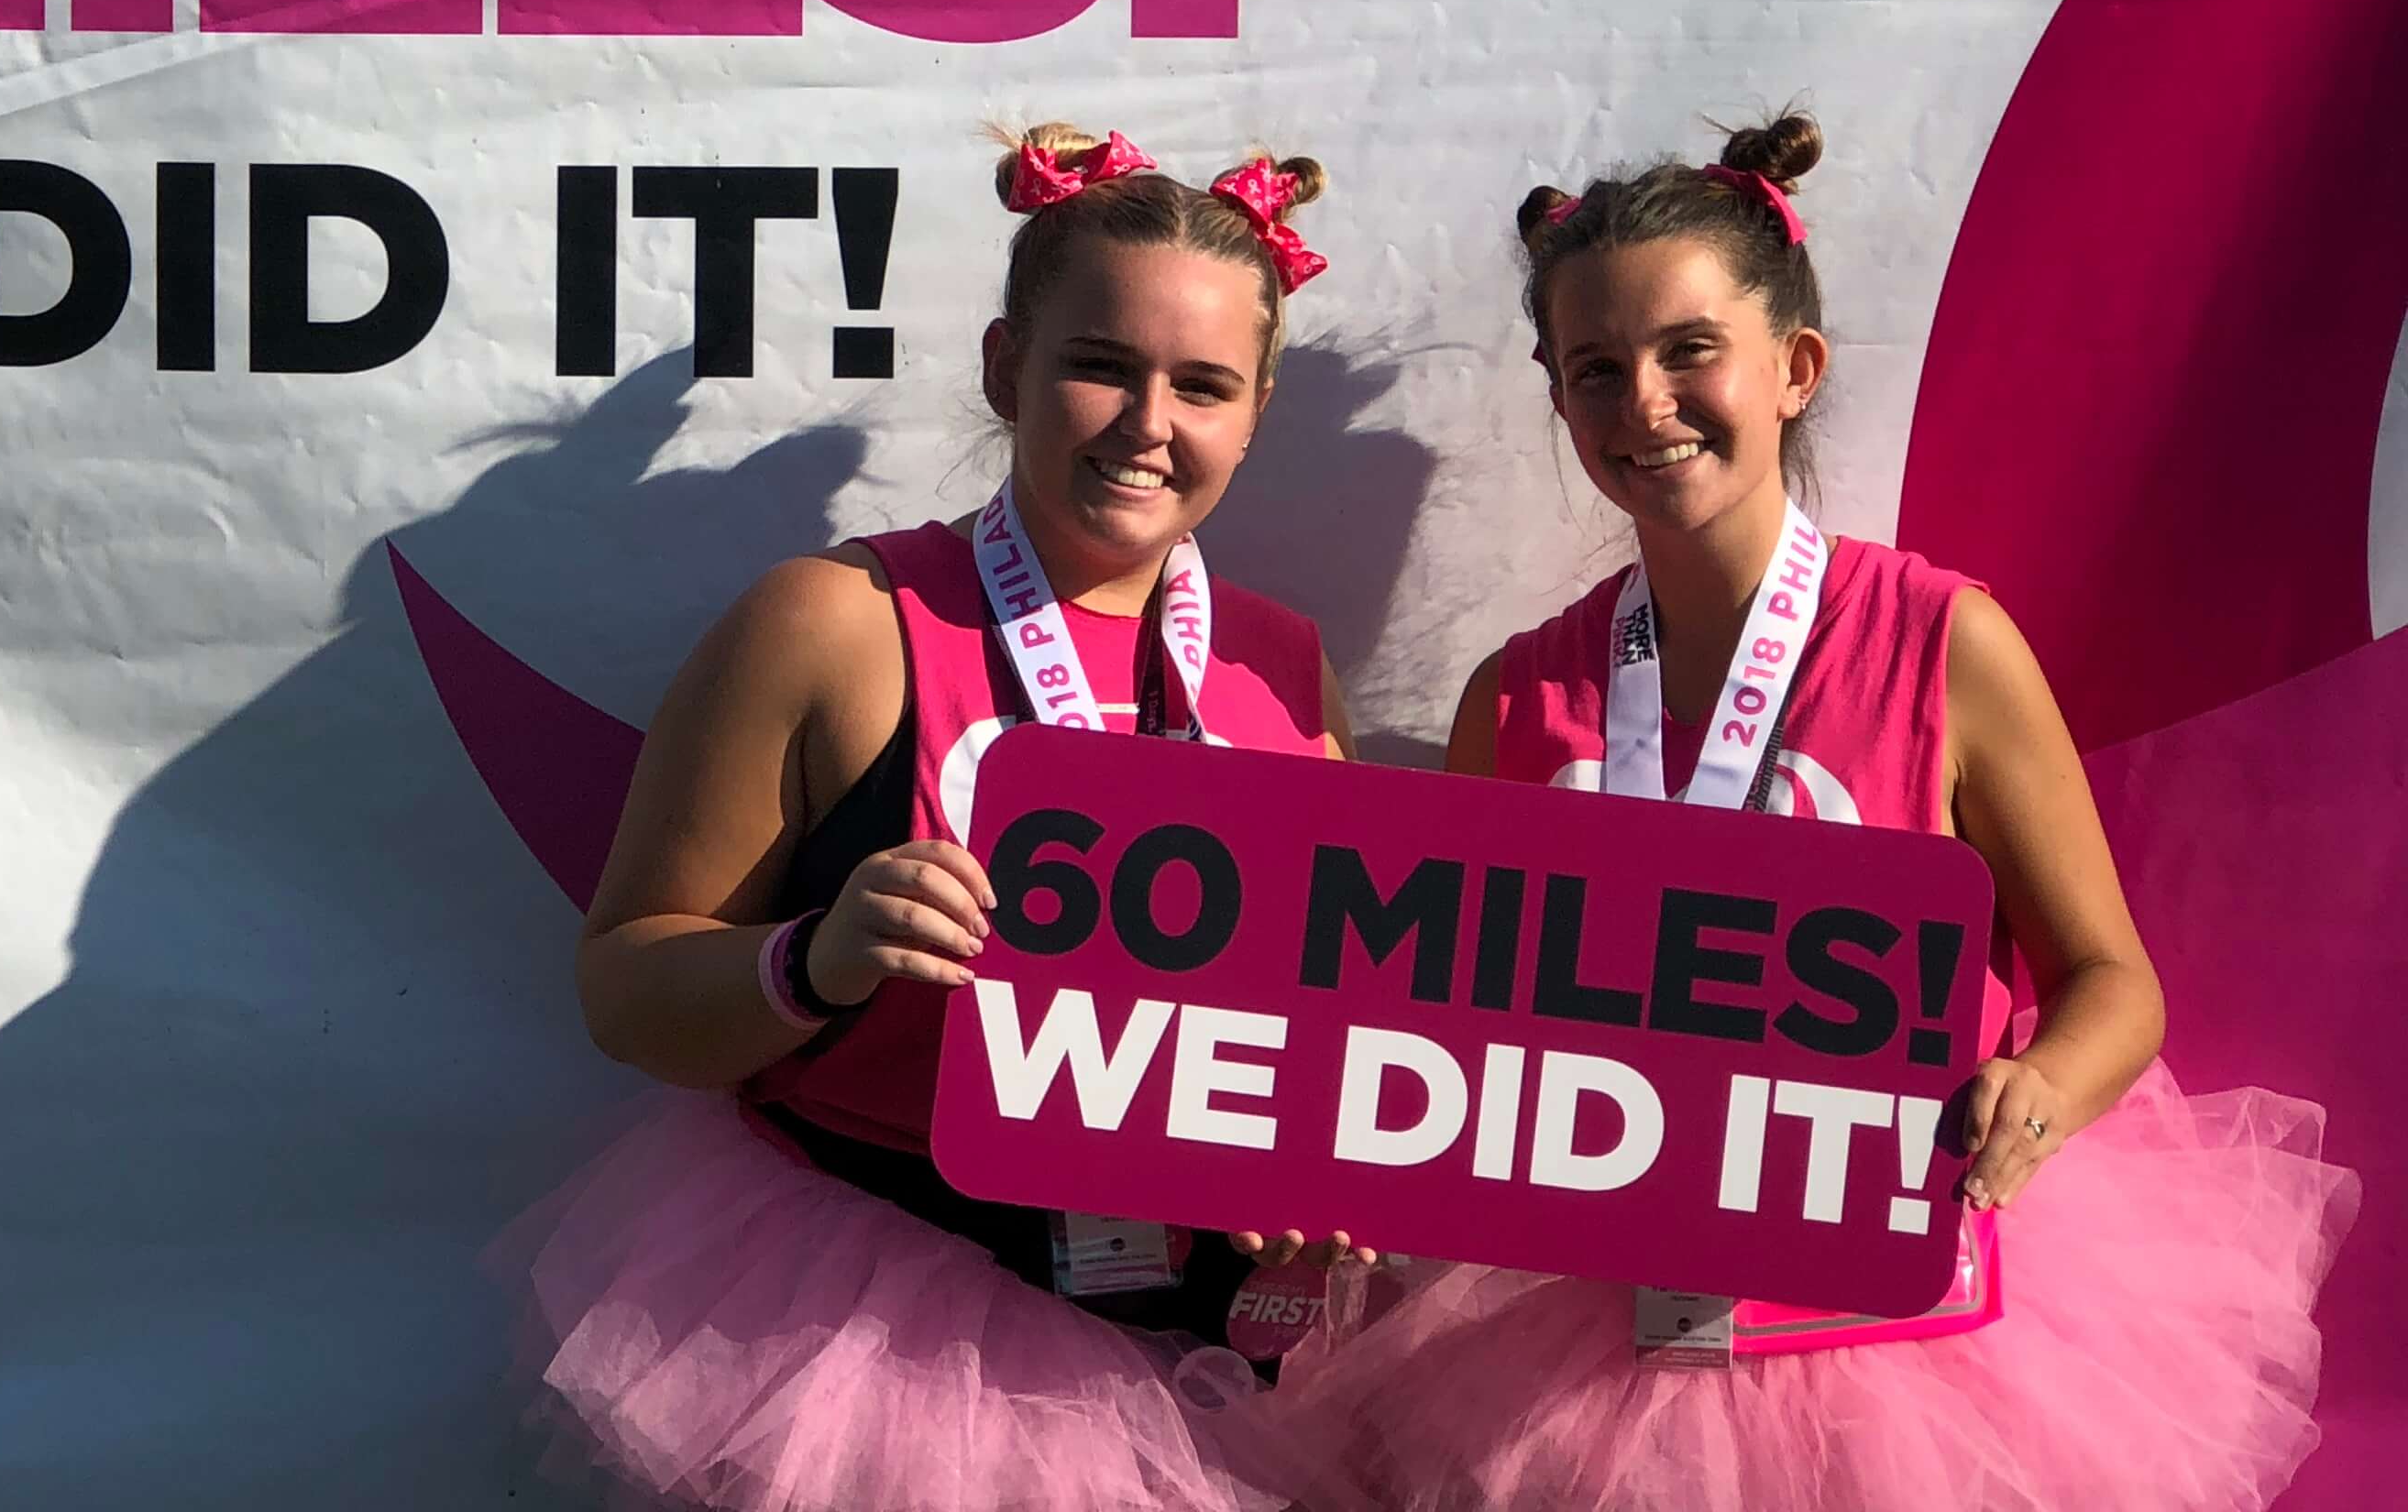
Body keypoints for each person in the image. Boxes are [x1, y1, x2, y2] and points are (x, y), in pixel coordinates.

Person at [1275, 114, 2355, 1512]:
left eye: (1688, 352)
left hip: (1913, 1328)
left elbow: (2112, 984)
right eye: (1595, 370)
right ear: (1559, 403)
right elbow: (1449, 1035)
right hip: (1585, 1339)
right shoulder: (1520, 696)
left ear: (1794, 369)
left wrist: (2044, 1091)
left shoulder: (1945, 644)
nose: (1645, 402)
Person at [499, 126, 1363, 1512]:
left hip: (1199, 1360)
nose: (1150, 423)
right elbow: (627, 983)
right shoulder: (833, 621)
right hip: (878, 1339)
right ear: (1004, 365)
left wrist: (1313, 1165)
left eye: (1202, 385)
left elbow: (1329, 1019)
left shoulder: (1280, 667)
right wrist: (812, 961)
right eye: (1100, 366)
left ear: (1256, 411)